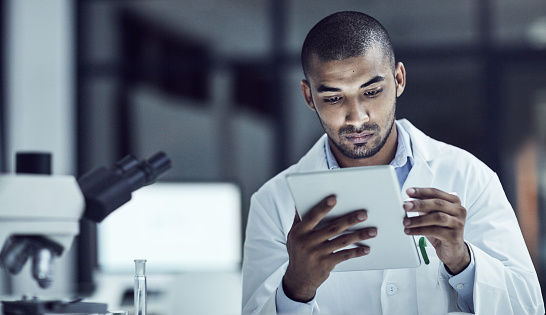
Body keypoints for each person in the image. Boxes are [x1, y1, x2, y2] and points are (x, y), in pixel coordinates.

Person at [241, 11, 544, 315]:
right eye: (333, 98)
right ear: (309, 96)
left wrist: (463, 261)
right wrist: (296, 289)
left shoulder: (469, 177)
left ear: (398, 79)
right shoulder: (272, 204)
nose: (357, 116)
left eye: (372, 92)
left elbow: (529, 308)